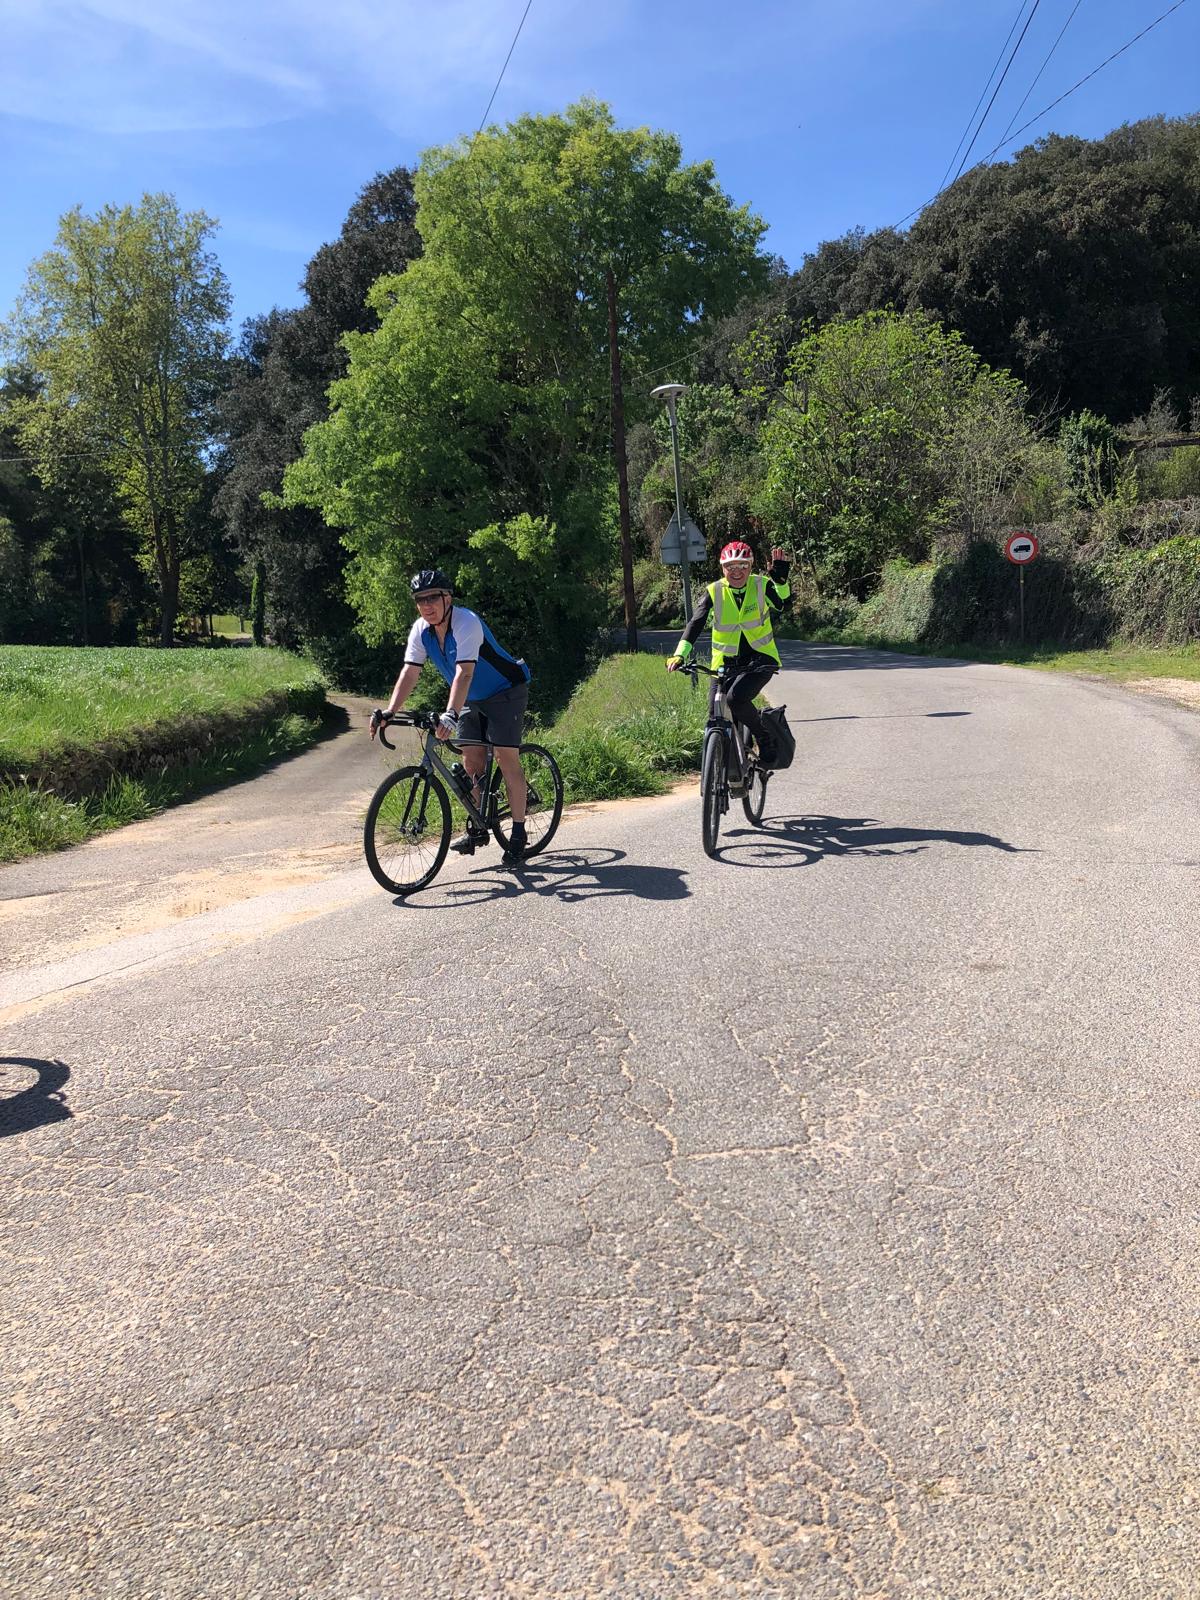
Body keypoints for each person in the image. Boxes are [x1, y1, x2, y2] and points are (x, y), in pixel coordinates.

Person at [371, 569, 532, 863]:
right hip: (472, 696)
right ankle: (480, 824)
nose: (427, 605)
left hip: (505, 691)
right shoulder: (421, 630)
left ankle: (519, 832)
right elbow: (410, 671)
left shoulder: (466, 622)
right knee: (472, 759)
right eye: (420, 600)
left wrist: (450, 715)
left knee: (507, 759)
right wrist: (390, 711)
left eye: (433, 597)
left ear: (448, 598)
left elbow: (464, 671)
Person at [666, 540, 790, 778]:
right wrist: (680, 654)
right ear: (722, 568)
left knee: (736, 699)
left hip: (760, 660)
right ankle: (720, 771)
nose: (737, 572)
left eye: (742, 566)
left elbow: (782, 604)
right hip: (724, 663)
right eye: (730, 566)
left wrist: (781, 582)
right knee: (714, 713)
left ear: (751, 566)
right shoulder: (714, 591)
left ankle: (763, 738)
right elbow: (696, 623)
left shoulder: (762, 585)